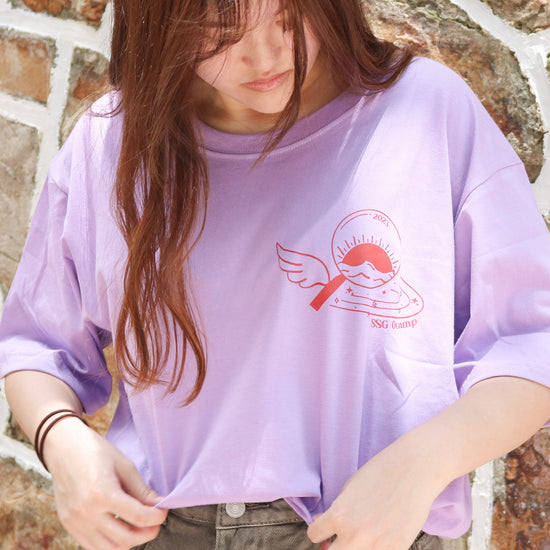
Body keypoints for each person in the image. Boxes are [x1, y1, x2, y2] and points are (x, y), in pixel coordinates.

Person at [1, 0, 550, 549]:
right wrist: (62, 443)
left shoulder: (425, 112)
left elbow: (532, 341)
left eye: (289, 20)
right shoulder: (112, 144)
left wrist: (424, 463)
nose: (264, 57)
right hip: (160, 528)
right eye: (221, 32)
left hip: (361, 530)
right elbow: (36, 343)